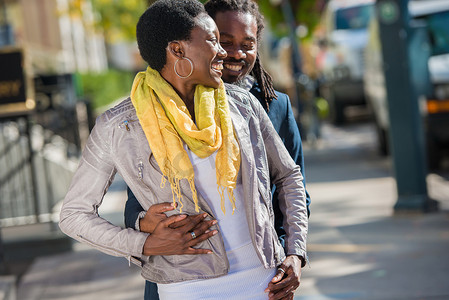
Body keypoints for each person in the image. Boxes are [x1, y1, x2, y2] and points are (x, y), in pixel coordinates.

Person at [59, 0, 308, 299]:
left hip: (263, 281)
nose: (222, 52)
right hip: (186, 287)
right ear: (178, 50)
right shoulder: (119, 126)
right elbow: (74, 215)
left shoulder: (242, 105)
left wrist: (295, 252)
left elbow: (289, 176)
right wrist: (144, 244)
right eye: (214, 40)